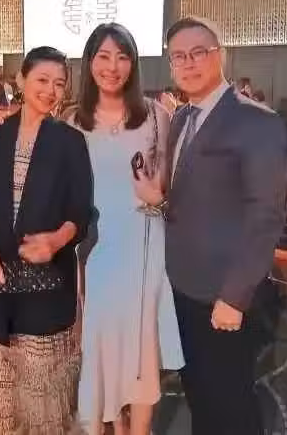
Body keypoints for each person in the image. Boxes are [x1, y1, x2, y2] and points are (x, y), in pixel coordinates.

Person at [0, 46, 93, 435]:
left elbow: (81, 212)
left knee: (37, 405)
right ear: (20, 80)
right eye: (42, 80)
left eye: (59, 84)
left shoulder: (70, 141)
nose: (50, 90)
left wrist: (55, 242)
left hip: (43, 288)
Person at [165, 16, 286, 435]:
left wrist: (234, 297)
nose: (189, 63)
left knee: (232, 406)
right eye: (179, 56)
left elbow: (265, 216)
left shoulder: (255, 121)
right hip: (182, 287)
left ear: (221, 55)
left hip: (224, 295)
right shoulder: (180, 118)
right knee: (200, 397)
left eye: (199, 52)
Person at [71, 23, 183, 435]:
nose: (112, 66)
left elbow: (170, 186)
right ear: (89, 62)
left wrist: (158, 194)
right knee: (102, 345)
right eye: (103, 56)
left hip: (145, 243)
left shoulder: (156, 116)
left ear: (133, 64)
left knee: (140, 348)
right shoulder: (73, 121)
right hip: (97, 246)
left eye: (122, 57)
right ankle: (114, 423)